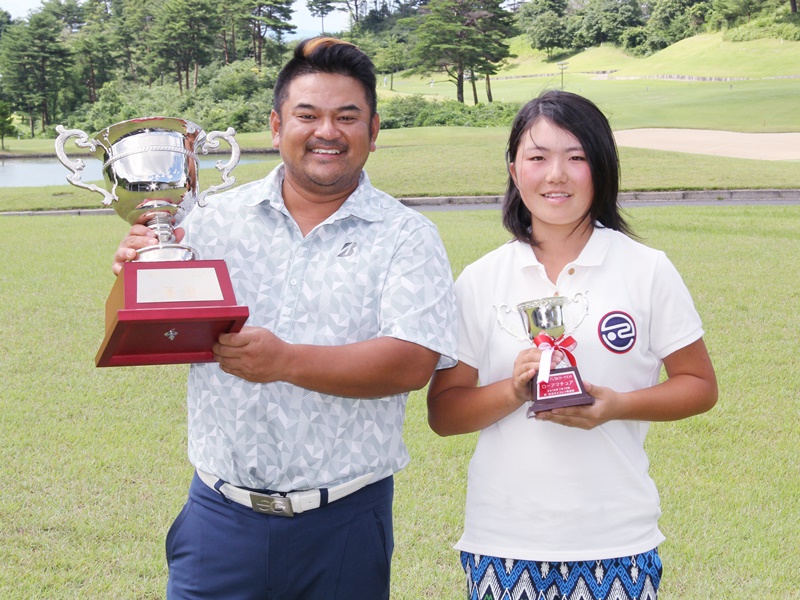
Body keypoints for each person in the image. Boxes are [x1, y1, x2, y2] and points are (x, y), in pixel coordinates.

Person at [114, 37, 457, 600]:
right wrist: (141, 267)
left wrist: (286, 361)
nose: (327, 131)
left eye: (347, 117)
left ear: (373, 131)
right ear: (276, 127)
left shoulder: (407, 236)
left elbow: (411, 362)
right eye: (308, 115)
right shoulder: (209, 220)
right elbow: (164, 326)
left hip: (345, 522)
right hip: (219, 519)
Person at [426, 90, 718, 600]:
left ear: (601, 168)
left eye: (576, 157)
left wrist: (616, 405)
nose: (556, 175)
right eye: (538, 158)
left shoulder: (647, 269)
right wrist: (513, 390)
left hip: (617, 540)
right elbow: (444, 413)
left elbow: (699, 386)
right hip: (504, 540)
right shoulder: (480, 279)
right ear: (514, 170)